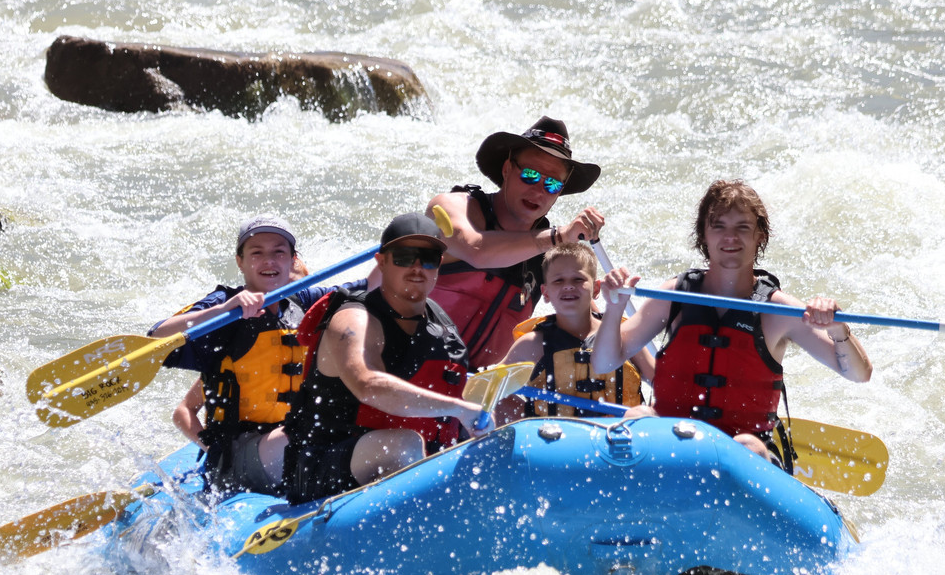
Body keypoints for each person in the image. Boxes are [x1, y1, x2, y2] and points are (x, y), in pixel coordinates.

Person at [591, 180, 872, 468]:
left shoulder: (779, 310)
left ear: (759, 236)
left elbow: (859, 374)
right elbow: (604, 362)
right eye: (719, 226)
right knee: (638, 417)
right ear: (704, 233)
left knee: (746, 445)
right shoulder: (674, 295)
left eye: (742, 227)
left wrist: (838, 328)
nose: (730, 237)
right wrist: (614, 309)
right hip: (673, 446)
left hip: (748, 454)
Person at [150, 215, 374, 495]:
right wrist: (224, 310)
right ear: (240, 261)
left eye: (279, 252)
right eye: (257, 253)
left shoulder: (300, 300)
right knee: (312, 431)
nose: (269, 260)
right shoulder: (224, 305)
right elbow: (157, 336)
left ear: (292, 260)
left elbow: (372, 286)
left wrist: (397, 252)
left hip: (287, 441)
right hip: (241, 454)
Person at [283, 212, 492, 504]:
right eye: (405, 257)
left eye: (428, 258)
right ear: (381, 262)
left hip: (416, 467)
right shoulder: (353, 319)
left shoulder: (443, 328)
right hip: (324, 467)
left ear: (439, 265)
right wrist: (459, 408)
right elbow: (367, 384)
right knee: (403, 445)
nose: (417, 267)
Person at [425, 116, 605, 370]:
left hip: (476, 389)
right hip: (405, 367)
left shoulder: (549, 254)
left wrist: (616, 323)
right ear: (507, 169)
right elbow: (477, 250)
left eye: (552, 184)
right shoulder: (454, 207)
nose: (539, 190)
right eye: (530, 175)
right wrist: (560, 237)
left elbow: (587, 318)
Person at [500, 241, 653, 418]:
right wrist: (522, 417)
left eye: (578, 279)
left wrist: (648, 413)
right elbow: (489, 392)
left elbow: (662, 383)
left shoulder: (625, 335)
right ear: (546, 293)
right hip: (553, 441)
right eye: (558, 280)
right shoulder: (532, 345)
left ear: (596, 289)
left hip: (621, 437)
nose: (568, 286)